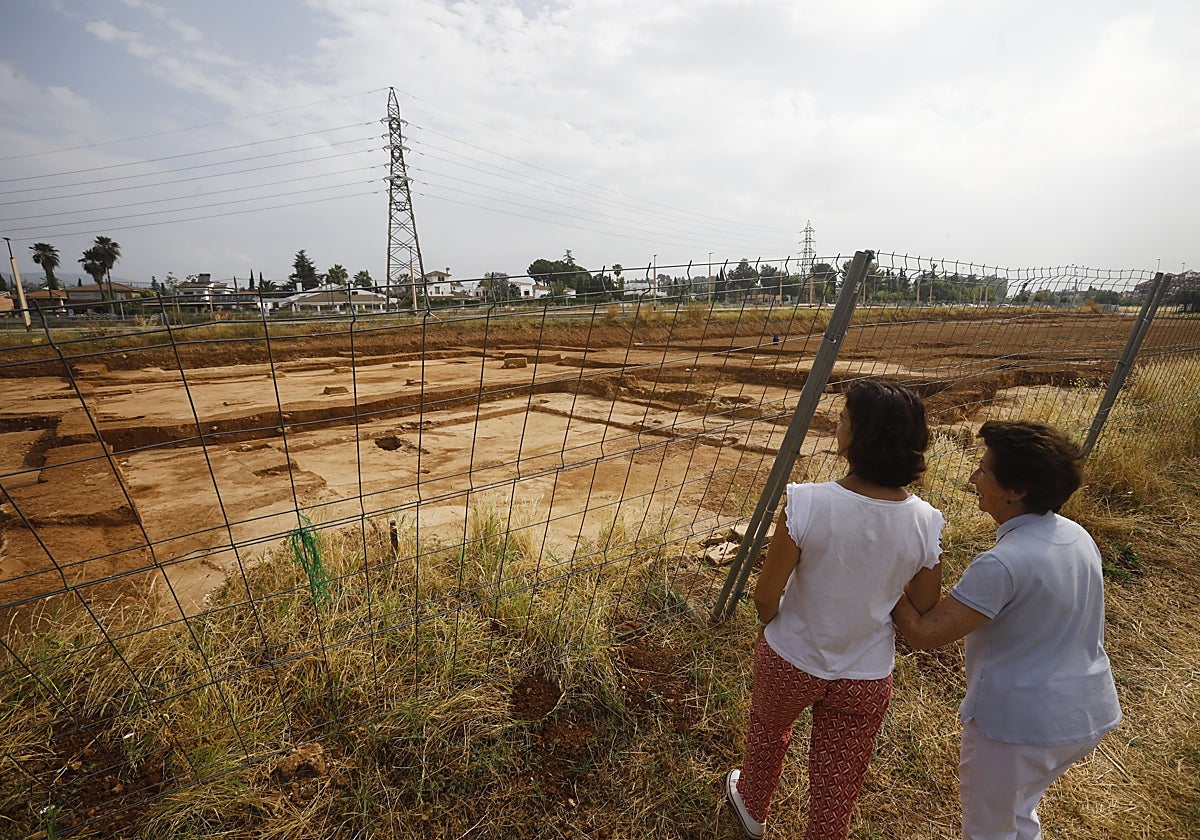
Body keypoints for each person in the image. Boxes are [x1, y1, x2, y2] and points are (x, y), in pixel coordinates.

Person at [726, 379, 945, 840]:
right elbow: (924, 604)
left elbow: (767, 596)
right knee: (841, 772)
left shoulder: (806, 502)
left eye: (844, 418)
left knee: (768, 731)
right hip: (865, 673)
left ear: (860, 436)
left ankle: (752, 805)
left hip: (793, 656)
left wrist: (774, 626)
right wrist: (875, 587)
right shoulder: (927, 522)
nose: (837, 423)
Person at [892, 420, 1122, 840]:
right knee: (1017, 813)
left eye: (984, 470)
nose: (973, 479)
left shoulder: (1002, 564)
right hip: (1083, 714)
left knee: (987, 831)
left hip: (1017, 729)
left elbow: (924, 634)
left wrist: (882, 580)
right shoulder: (1075, 535)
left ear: (1016, 490)